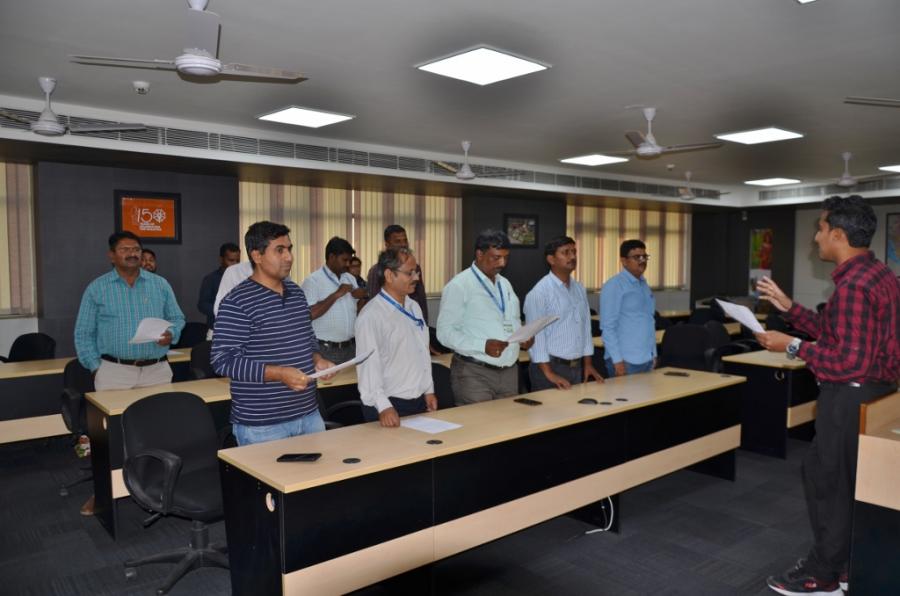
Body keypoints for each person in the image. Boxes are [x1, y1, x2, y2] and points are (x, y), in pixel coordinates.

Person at [756, 196, 899, 596]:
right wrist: (791, 309)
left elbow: (849, 361)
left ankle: (823, 572)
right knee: (849, 485)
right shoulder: (877, 274)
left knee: (830, 483)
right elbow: (838, 334)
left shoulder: (853, 286)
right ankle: (850, 563)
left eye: (820, 229)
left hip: (849, 397)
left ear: (838, 234)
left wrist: (792, 346)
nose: (815, 237)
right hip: (876, 396)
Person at [73, 230, 185, 515]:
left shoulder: (159, 284)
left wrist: (171, 334)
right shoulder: (97, 288)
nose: (132, 253)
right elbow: (83, 333)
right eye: (124, 249)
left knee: (160, 430)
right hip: (114, 371)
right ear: (112, 256)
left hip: (157, 370)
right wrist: (96, 367)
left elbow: (177, 318)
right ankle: (102, 492)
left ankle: (159, 487)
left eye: (136, 248)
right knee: (111, 438)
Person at [211, 221, 336, 446]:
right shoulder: (237, 301)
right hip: (263, 425)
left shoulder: (296, 293)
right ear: (257, 255)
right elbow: (222, 361)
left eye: (289, 249)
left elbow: (307, 338)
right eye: (279, 250)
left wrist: (318, 360)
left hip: (308, 414)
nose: (289, 257)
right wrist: (279, 373)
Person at [437, 229, 533, 405]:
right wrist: (482, 345)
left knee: (509, 421)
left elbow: (511, 321)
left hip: (509, 371)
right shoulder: (459, 285)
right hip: (475, 373)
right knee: (480, 421)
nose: (502, 263)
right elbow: (444, 333)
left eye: (505, 257)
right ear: (479, 254)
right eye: (496, 257)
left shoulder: (505, 284)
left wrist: (522, 337)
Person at [355, 247, 437, 426]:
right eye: (409, 273)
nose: (416, 278)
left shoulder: (414, 307)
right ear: (389, 275)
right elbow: (368, 368)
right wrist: (383, 406)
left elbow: (422, 353)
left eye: (416, 272)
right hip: (388, 404)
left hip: (417, 400)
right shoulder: (371, 316)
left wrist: (428, 390)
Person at [524, 236, 604, 390]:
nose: (572, 256)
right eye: (566, 252)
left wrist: (588, 364)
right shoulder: (539, 292)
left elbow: (585, 327)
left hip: (576, 366)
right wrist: (549, 373)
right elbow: (536, 337)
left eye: (574, 252)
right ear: (551, 259)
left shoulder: (579, 288)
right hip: (550, 367)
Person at [301, 236, 367, 364]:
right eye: (344, 260)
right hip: (325, 350)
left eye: (349, 260)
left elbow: (355, 311)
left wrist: (362, 297)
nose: (347, 264)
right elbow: (309, 314)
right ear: (331, 257)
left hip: (350, 348)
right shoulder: (313, 281)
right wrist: (337, 294)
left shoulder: (349, 278)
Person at [600, 239, 656, 377]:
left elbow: (648, 321)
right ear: (624, 261)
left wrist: (653, 353)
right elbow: (608, 327)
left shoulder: (643, 284)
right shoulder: (614, 285)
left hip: (646, 358)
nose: (642, 260)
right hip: (625, 361)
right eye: (637, 257)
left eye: (644, 256)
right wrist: (617, 361)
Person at [366, 224, 428, 321]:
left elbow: (421, 298)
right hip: (389, 322)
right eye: (397, 241)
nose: (403, 244)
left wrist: (424, 322)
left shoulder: (415, 267)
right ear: (387, 245)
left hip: (413, 319)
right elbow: (375, 302)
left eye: (405, 240)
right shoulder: (376, 270)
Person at [197, 242, 241, 329]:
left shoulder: (244, 278)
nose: (235, 264)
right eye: (231, 260)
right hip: (217, 329)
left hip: (240, 328)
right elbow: (202, 305)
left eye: (238, 260)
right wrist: (223, 310)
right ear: (221, 259)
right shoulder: (211, 279)